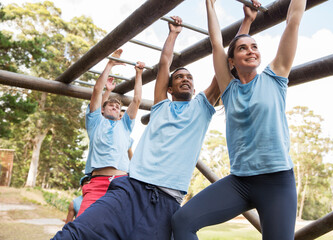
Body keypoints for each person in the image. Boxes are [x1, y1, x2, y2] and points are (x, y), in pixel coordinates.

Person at [52, 15, 220, 240]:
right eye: (178, 77)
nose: (185, 79)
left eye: (189, 77)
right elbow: (164, 64)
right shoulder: (161, 106)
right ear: (169, 89)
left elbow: (222, 63)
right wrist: (173, 34)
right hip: (132, 188)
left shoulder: (202, 107)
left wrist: (245, 24)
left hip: (167, 200)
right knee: (75, 234)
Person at [172, 0, 304, 239]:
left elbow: (293, 21)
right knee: (182, 221)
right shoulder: (229, 89)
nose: (251, 50)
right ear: (231, 61)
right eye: (243, 48)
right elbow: (216, 43)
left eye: (254, 46)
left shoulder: (275, 77)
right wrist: (210, 5)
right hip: (241, 182)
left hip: (277, 182)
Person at [76, 49, 144, 217]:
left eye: (118, 107)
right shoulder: (95, 122)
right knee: (83, 224)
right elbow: (97, 91)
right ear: (102, 109)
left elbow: (137, 100)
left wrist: (139, 74)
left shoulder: (125, 126)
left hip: (121, 184)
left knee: (120, 227)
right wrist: (110, 64)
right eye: (111, 106)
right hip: (97, 183)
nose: (115, 108)